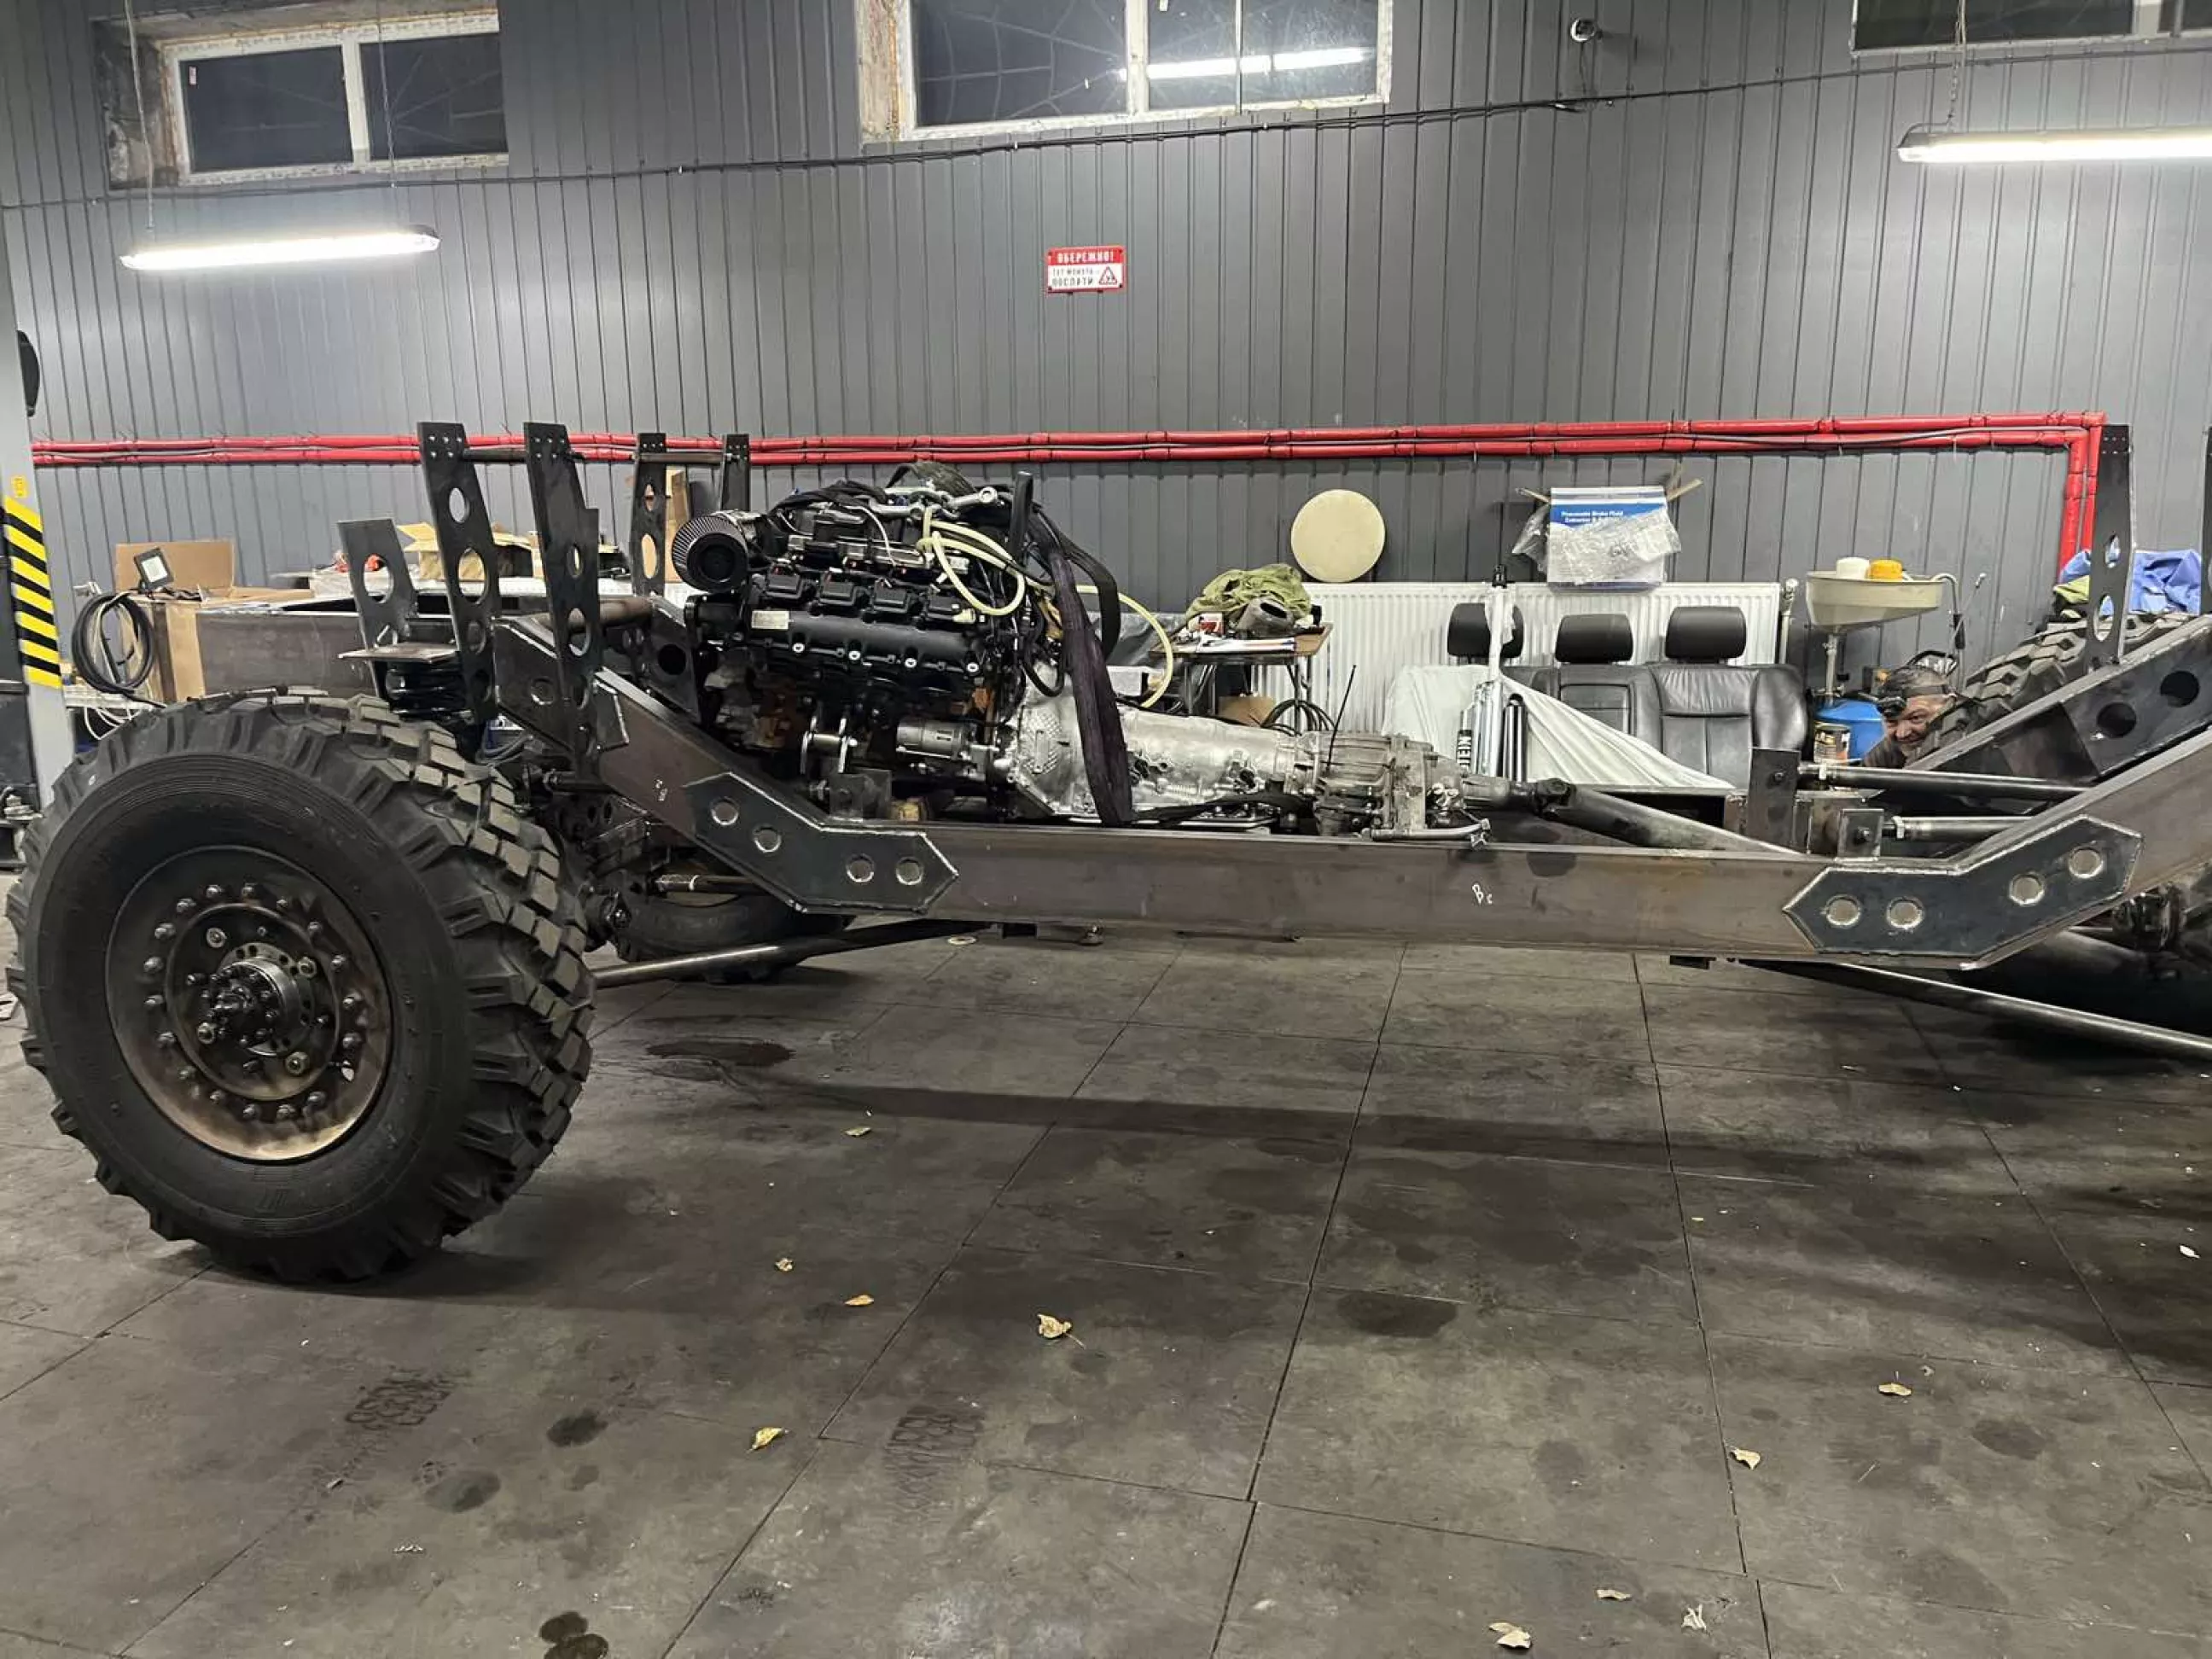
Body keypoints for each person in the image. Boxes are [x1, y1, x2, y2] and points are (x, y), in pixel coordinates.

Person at [1860, 664, 1954, 768]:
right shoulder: (1881, 758)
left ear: (1949, 705)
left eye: (1916, 718)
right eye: (1891, 721)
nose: (1902, 734)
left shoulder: (1966, 737)